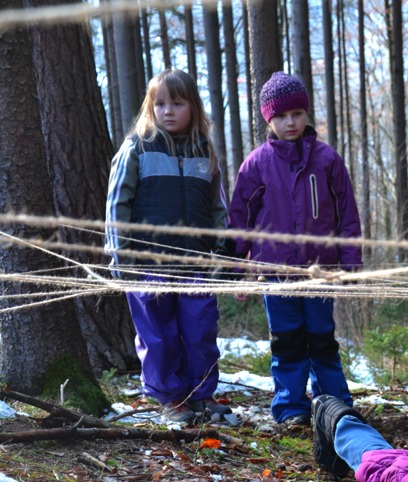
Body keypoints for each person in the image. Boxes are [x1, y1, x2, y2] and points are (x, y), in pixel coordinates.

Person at [229, 72, 362, 426]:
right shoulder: (256, 164)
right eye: (281, 116)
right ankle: (290, 408)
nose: (290, 123)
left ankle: (334, 404)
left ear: (306, 114)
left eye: (297, 114)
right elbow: (240, 220)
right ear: (268, 120)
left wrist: (350, 264)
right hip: (276, 274)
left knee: (322, 338)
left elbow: (347, 215)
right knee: (286, 341)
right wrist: (237, 269)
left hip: (320, 272)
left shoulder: (327, 160)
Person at [105, 69, 232, 425]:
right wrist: (121, 255)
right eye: (160, 104)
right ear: (151, 107)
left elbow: (217, 207)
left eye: (177, 103)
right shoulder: (137, 147)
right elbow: (117, 203)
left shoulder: (204, 151)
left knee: (200, 330)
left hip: (195, 263)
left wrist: (222, 249)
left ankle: (201, 395)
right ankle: (170, 398)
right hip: (148, 263)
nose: (168, 111)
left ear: (193, 107)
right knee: (159, 335)